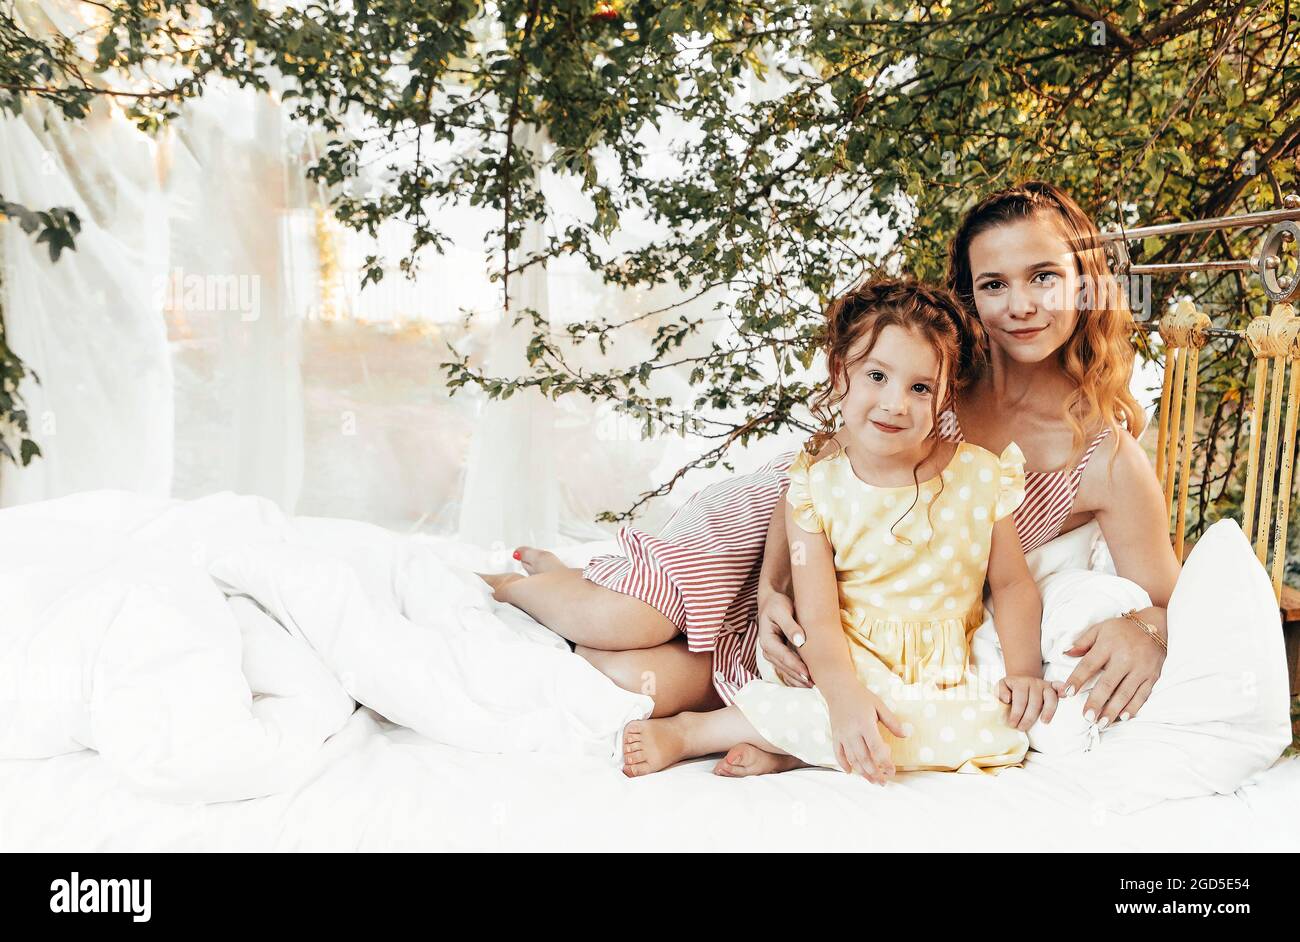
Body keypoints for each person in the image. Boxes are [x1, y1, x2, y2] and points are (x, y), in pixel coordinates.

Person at [482, 181, 1181, 765]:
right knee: (622, 620)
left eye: (1044, 277)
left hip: (856, 608)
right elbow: (813, 470)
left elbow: (1169, 599)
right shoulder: (935, 372)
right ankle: (519, 584)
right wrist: (768, 587)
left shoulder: (1106, 458)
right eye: (993, 284)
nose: (1020, 305)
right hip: (777, 525)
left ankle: (583, 586)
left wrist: (1144, 630)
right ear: (969, 297)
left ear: (1086, 284)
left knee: (635, 680)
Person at [619, 278, 1051, 780]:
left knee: (999, 729)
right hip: (845, 655)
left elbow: (1014, 586)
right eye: (876, 376)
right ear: (839, 372)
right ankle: (695, 731)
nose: (895, 403)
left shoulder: (980, 476)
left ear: (946, 397)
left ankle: (797, 749)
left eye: (920, 388)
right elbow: (819, 620)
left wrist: (1024, 674)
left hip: (941, 673)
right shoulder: (816, 487)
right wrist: (845, 697)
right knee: (842, 707)